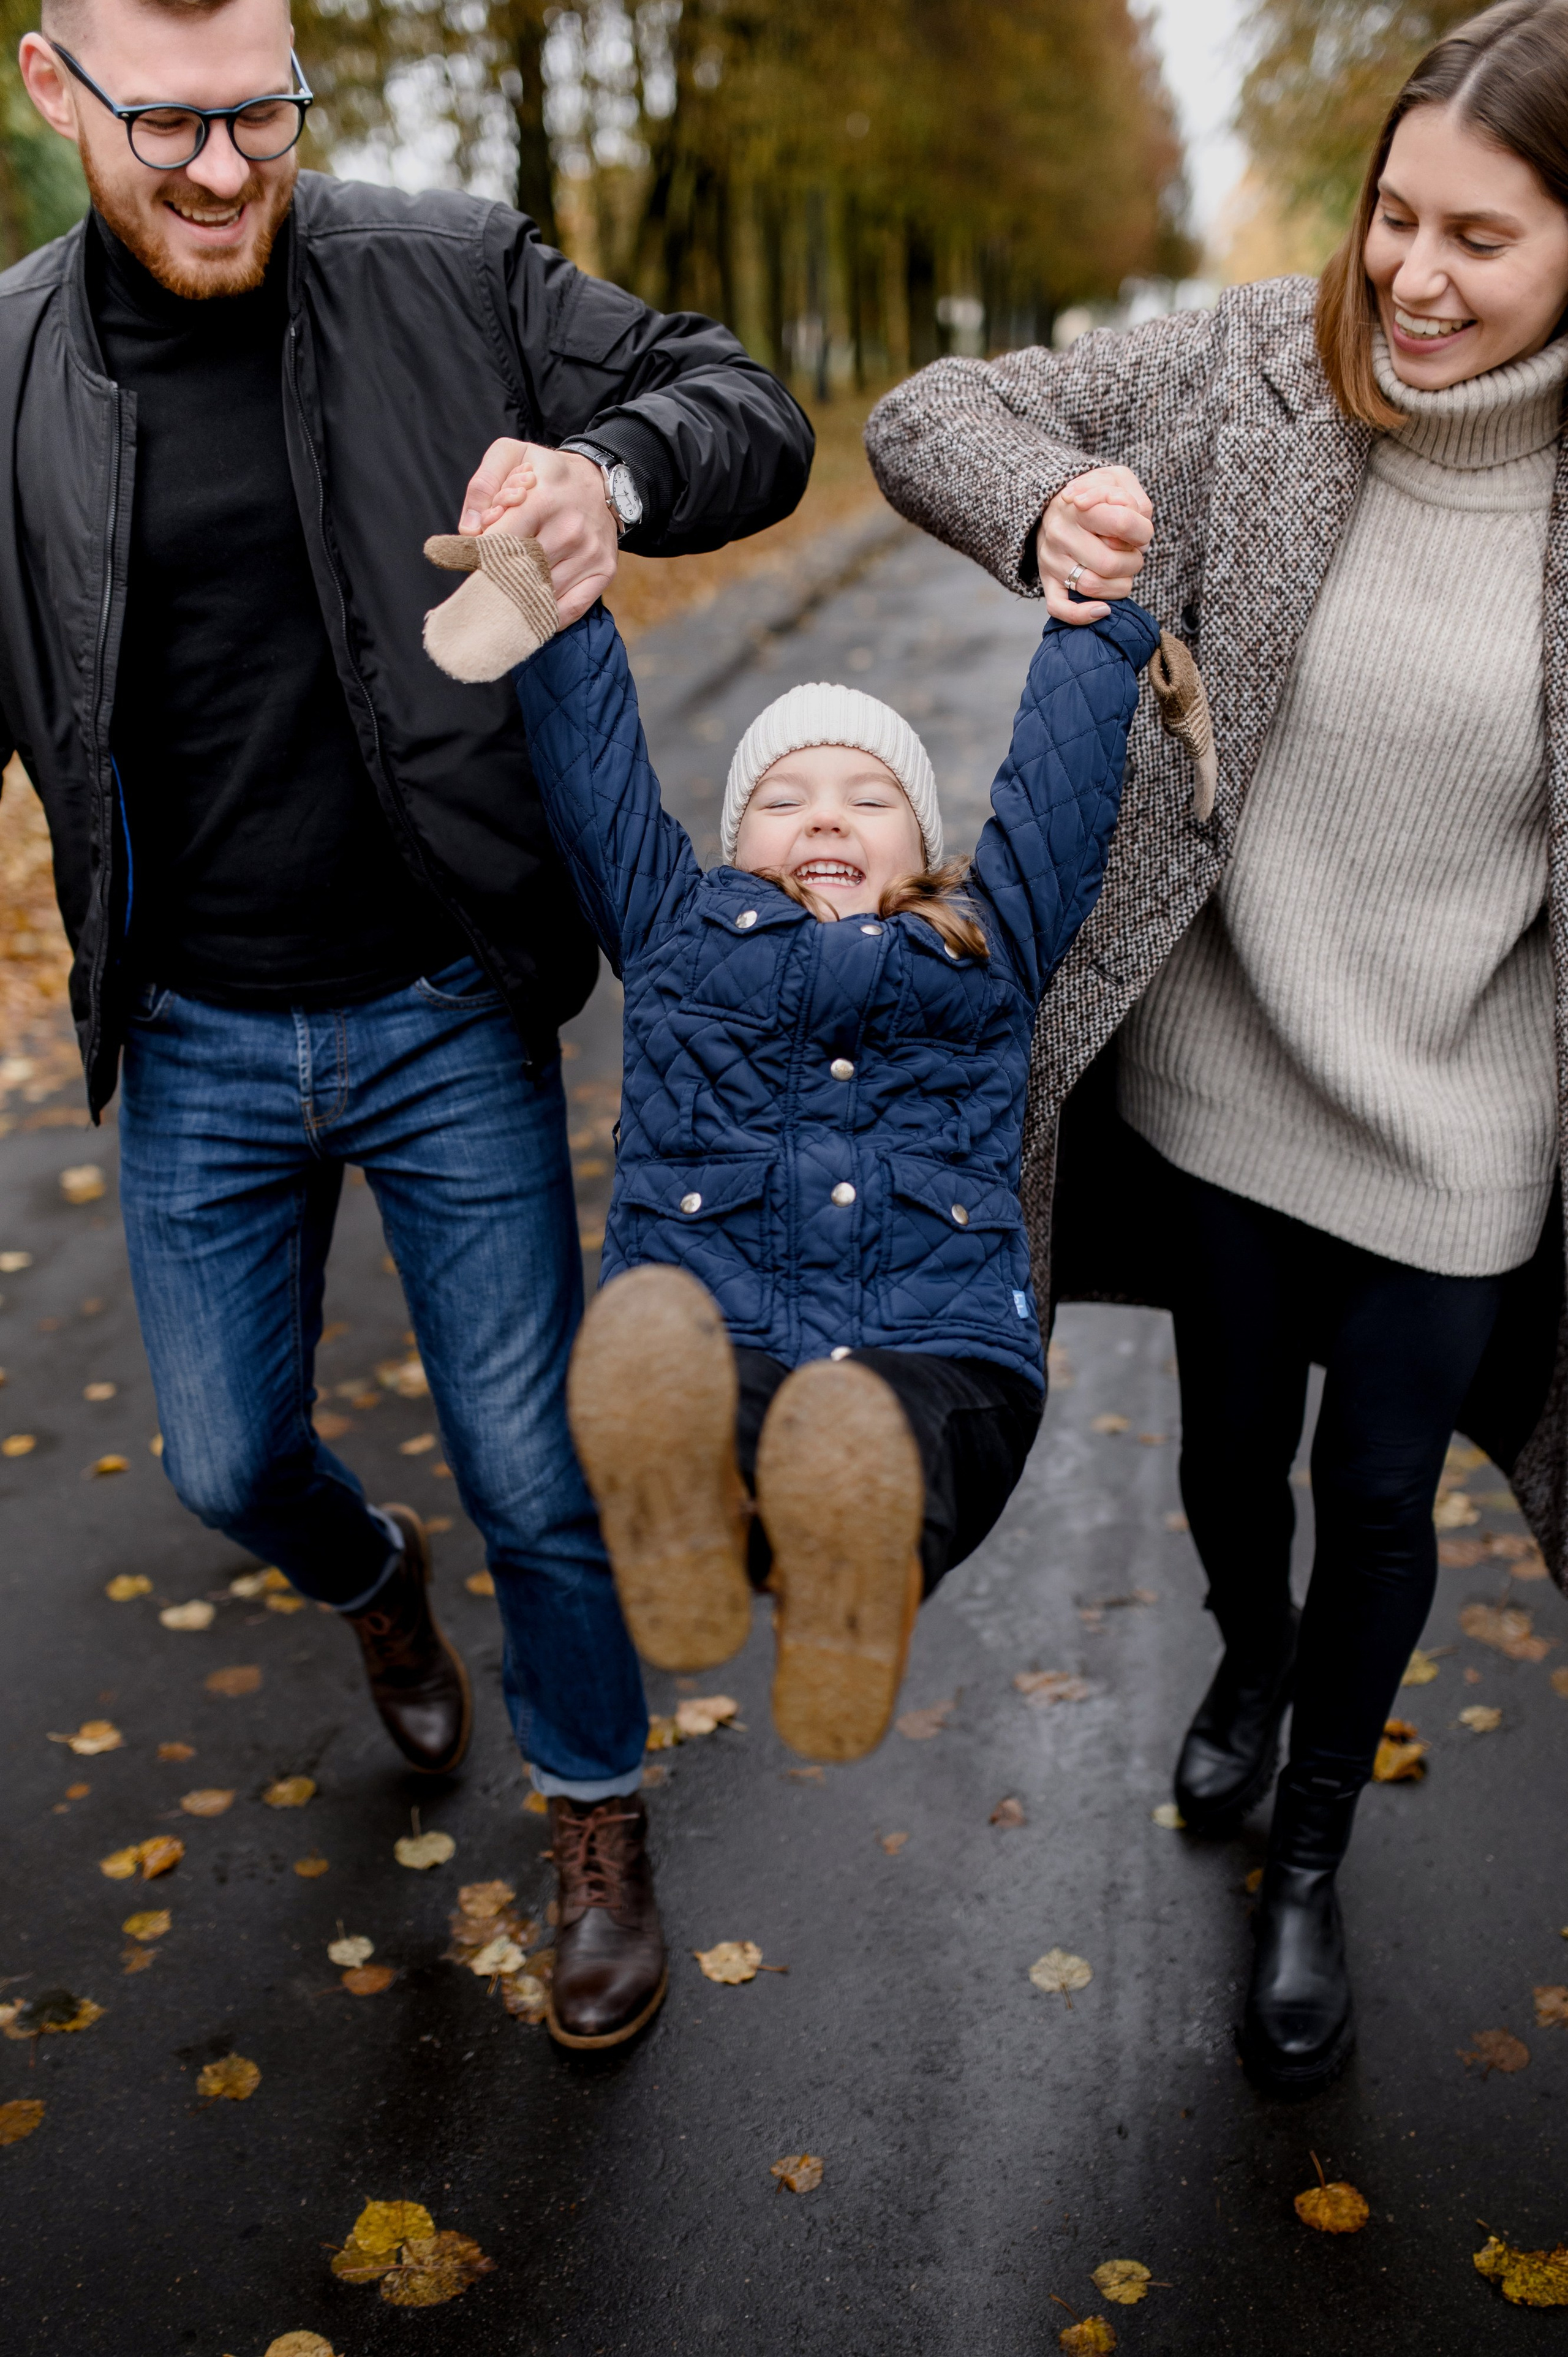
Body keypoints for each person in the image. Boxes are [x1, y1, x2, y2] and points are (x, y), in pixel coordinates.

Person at [2, 0, 812, 2050]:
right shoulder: (6, 371)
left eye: (258, 113)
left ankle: (596, 1814)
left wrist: (611, 464)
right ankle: (372, 1577)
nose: (217, 169)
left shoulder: (446, 269)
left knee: (536, 1468)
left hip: (447, 995)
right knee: (223, 1456)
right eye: (166, 123)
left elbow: (744, 407)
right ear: (49, 85)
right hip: (190, 1027)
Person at [864, 0, 1568, 2095]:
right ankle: (1248, 1674)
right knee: (1227, 1447)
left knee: (1381, 1493)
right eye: (1391, 218)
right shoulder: (1259, 364)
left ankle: (1312, 1855)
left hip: (1467, 1117)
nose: (1410, 281)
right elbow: (929, 412)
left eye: (1482, 241)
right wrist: (1055, 502)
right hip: (1222, 1065)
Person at [424, 470, 1194, 1770]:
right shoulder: (674, 930)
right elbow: (597, 766)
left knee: (886, 1449)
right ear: (733, 852)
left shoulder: (990, 937)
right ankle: (692, 1520)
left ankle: (861, 1585)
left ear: (923, 846)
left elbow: (1060, 791)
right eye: (781, 800)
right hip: (713, 1324)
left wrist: (1099, 623)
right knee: (691, 1390)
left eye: (864, 796)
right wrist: (557, 602)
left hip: (939, 1344)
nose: (824, 812)